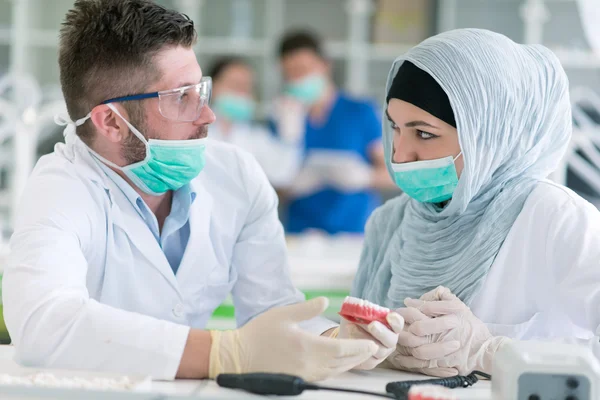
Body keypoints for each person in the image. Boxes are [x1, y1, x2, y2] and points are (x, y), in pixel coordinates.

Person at [2, 0, 404, 381]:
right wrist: (221, 352)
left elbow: (272, 311)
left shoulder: (236, 176)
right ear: (111, 122)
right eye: (181, 97)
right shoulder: (61, 187)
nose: (208, 114)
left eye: (202, 90)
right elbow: (43, 324)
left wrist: (336, 343)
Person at [350, 28, 600, 377]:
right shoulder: (391, 222)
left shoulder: (555, 219)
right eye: (395, 128)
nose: (400, 154)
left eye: (424, 133)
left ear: (489, 133)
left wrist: (492, 351)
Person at [270, 30, 395, 235]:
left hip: (354, 233)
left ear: (325, 65)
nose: (297, 79)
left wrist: (364, 177)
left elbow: (393, 175)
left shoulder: (359, 111)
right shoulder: (283, 119)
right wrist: (289, 185)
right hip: (300, 234)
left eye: (303, 69)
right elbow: (269, 188)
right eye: (290, 73)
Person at [209, 56, 303, 187]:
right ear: (213, 87)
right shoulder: (195, 130)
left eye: (247, 87)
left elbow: (282, 174)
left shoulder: (256, 137)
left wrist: (290, 134)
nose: (241, 92)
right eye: (235, 84)